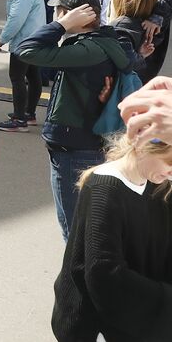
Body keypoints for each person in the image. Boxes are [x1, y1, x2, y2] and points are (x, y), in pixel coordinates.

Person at [15, 0, 139, 239]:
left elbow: (26, 49)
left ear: (77, 16)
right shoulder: (104, 42)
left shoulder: (87, 51)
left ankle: (79, 278)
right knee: (86, 227)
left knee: (74, 232)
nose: (55, 14)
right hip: (85, 143)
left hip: (75, 148)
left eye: (59, 10)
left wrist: (61, 25)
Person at [54, 130, 172, 342]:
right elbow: (105, 275)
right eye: (169, 162)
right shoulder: (104, 191)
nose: (171, 173)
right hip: (96, 325)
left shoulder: (158, 184)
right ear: (145, 146)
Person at [0, 0, 48, 132]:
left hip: (24, 41)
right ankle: (29, 113)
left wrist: (3, 39)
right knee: (33, 77)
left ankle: (19, 119)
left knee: (17, 78)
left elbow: (16, 19)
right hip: (36, 39)